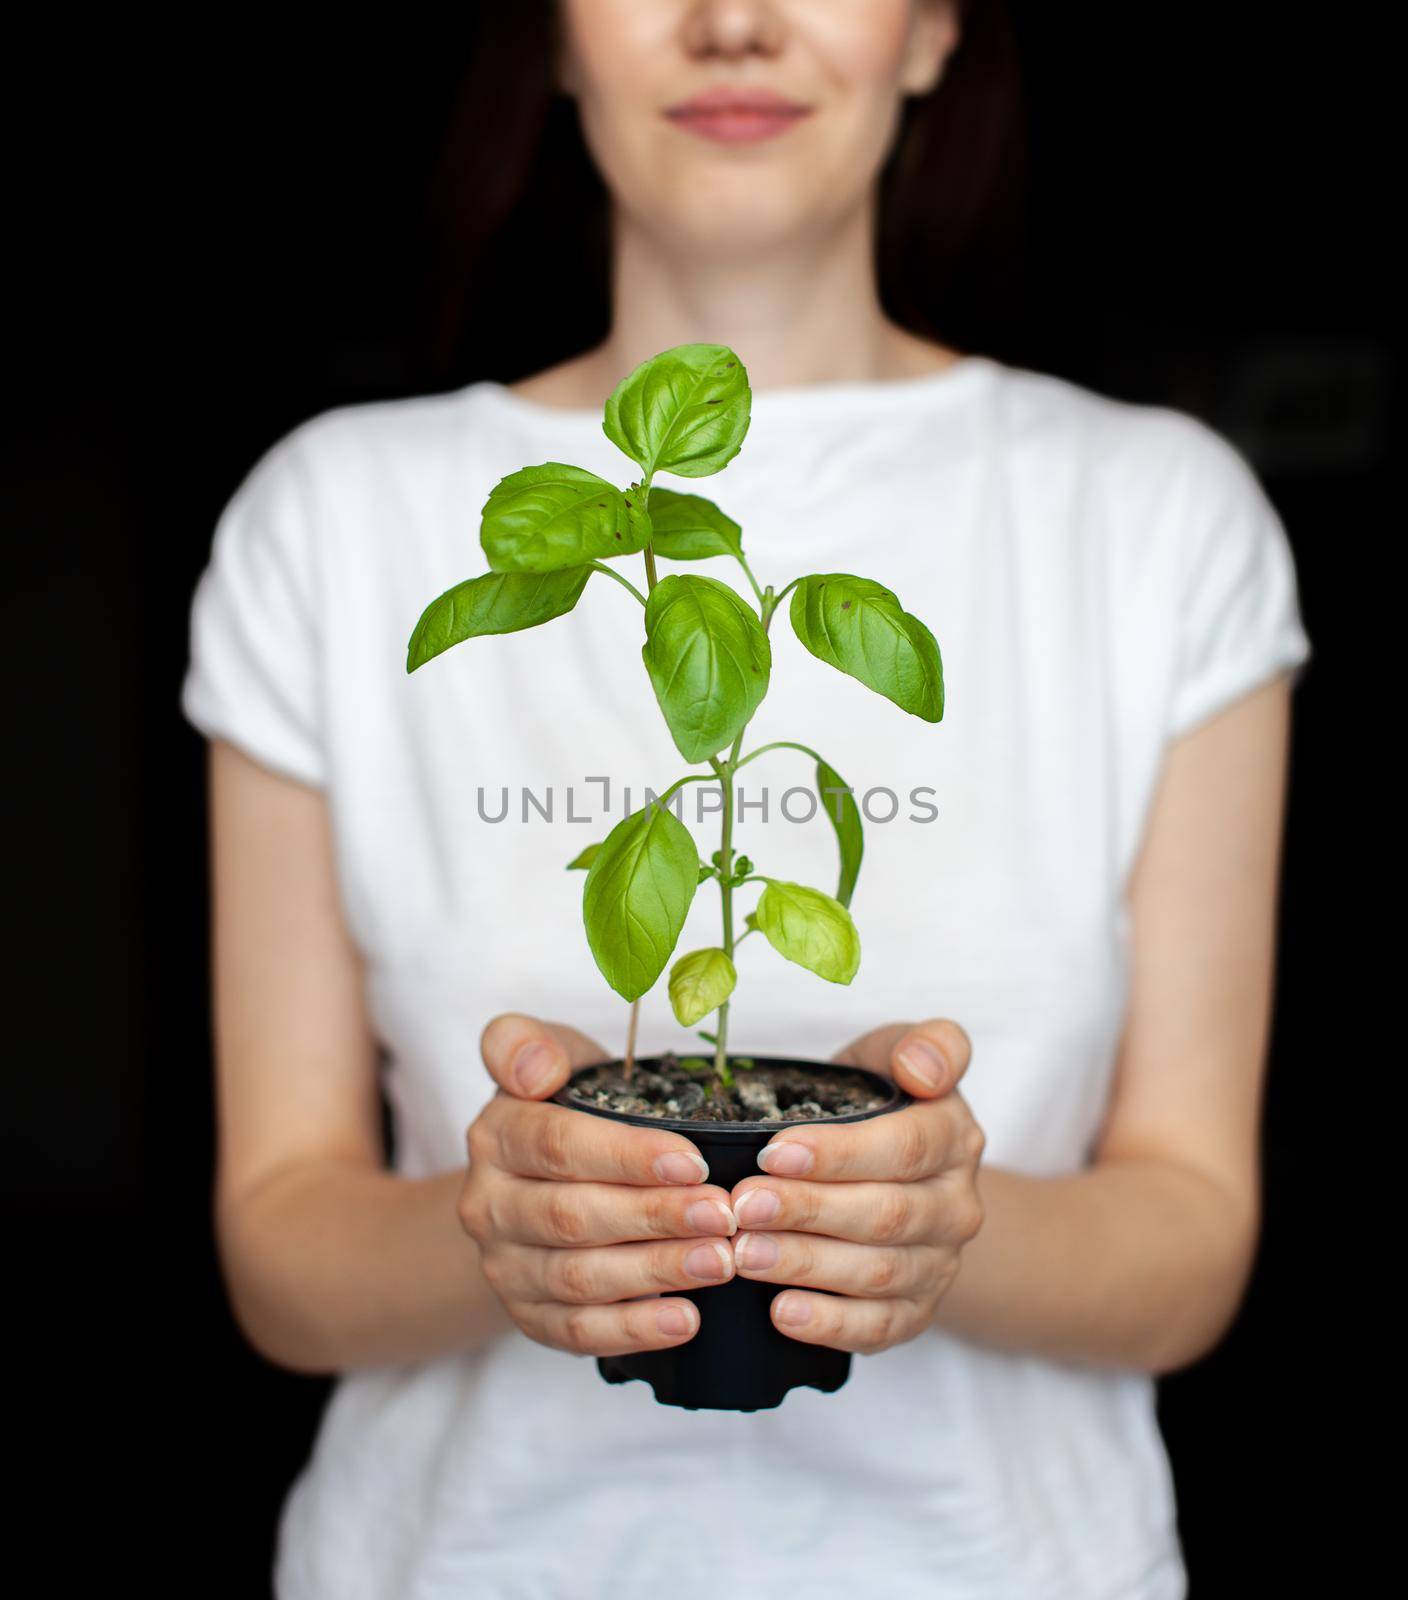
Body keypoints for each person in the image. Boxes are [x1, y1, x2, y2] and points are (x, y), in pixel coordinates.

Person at [180, 2, 1311, 1595]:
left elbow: (1190, 1239)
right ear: (557, 38)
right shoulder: (335, 518)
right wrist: (501, 1217)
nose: (731, 23)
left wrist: (941, 1214)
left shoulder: (1155, 519)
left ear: (932, 32)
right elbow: (282, 1253)